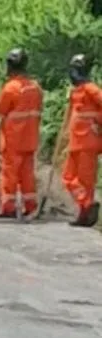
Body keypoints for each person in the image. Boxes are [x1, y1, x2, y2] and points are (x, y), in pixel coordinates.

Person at [0, 48, 43, 218]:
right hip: (30, 138)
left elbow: (0, 111)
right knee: (27, 173)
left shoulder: (10, 88)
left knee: (10, 173)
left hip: (14, 139)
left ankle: (9, 207)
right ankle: (31, 205)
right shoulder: (35, 88)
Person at [60, 54, 102, 227]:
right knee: (69, 178)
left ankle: (85, 211)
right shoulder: (76, 91)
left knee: (86, 181)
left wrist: (96, 122)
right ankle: (86, 206)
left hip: (88, 141)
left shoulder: (91, 89)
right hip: (76, 141)